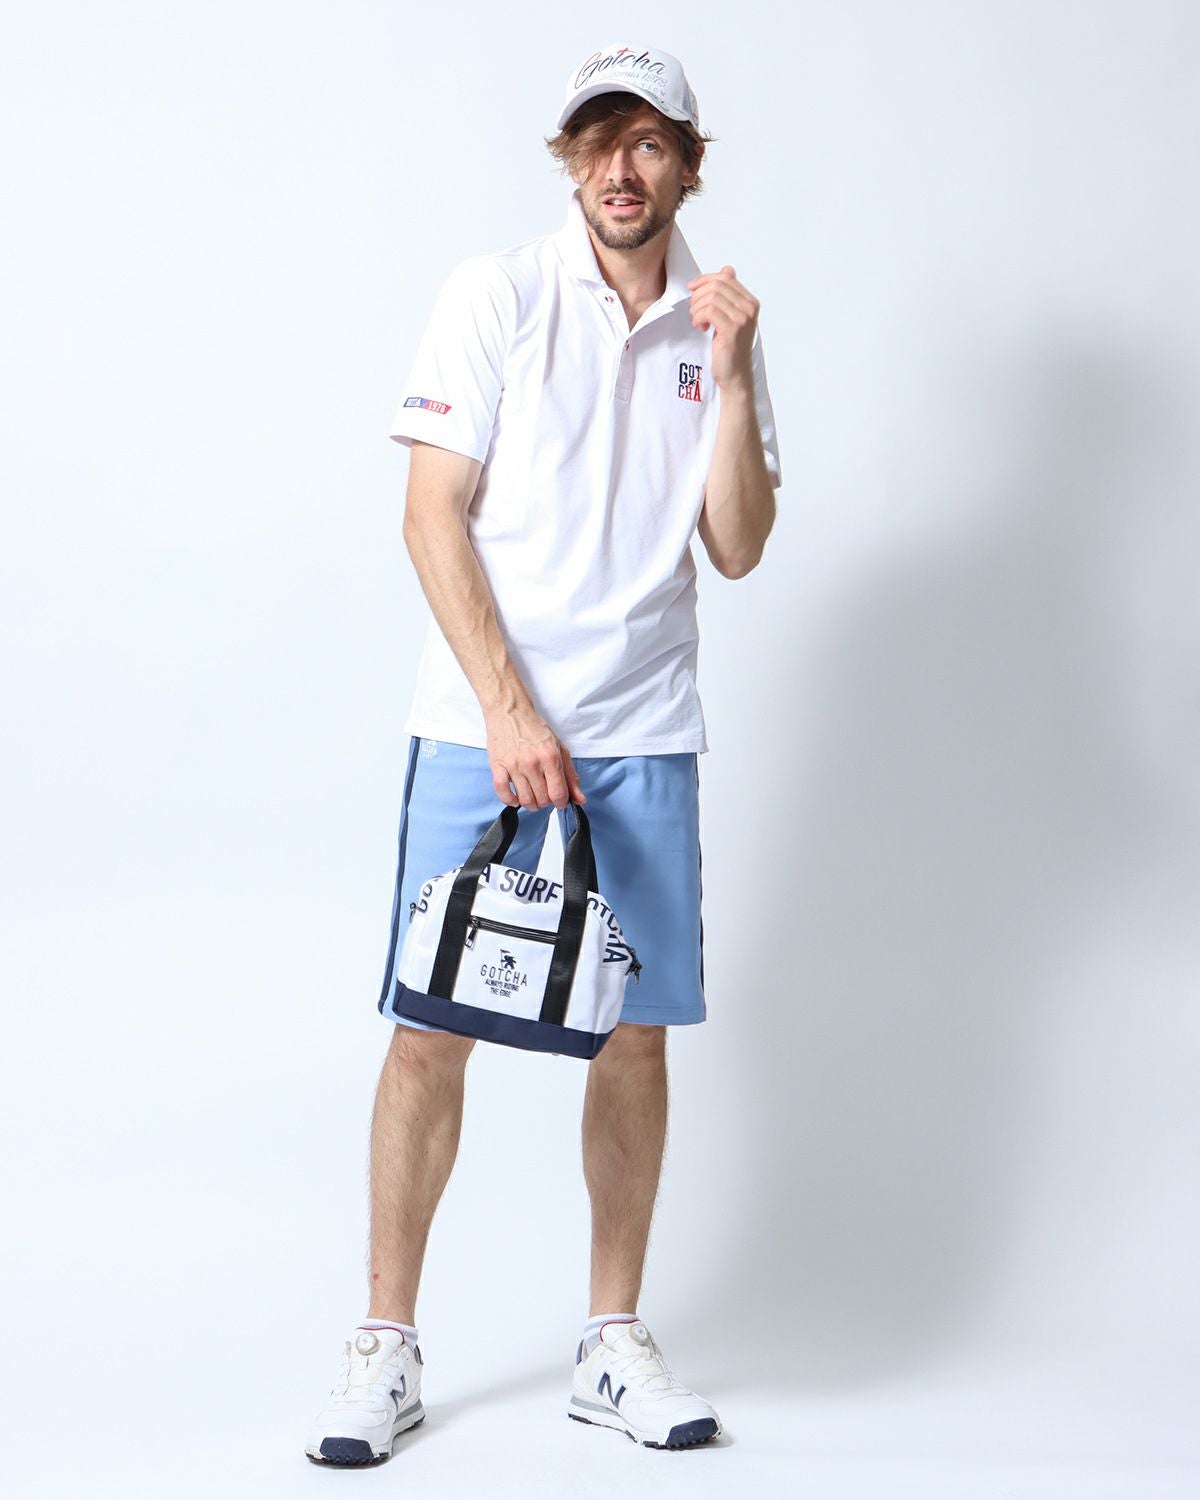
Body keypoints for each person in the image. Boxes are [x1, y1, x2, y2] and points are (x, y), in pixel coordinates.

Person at [305, 41, 782, 1466]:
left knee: (633, 1035)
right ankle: (384, 1345)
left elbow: (739, 546)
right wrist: (510, 710)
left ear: (688, 164)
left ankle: (609, 1340)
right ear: (570, 159)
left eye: (649, 144)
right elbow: (429, 514)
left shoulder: (719, 320)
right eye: (598, 143)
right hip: (482, 729)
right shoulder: (498, 294)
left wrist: (734, 376)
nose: (620, 171)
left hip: (644, 733)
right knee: (430, 1026)